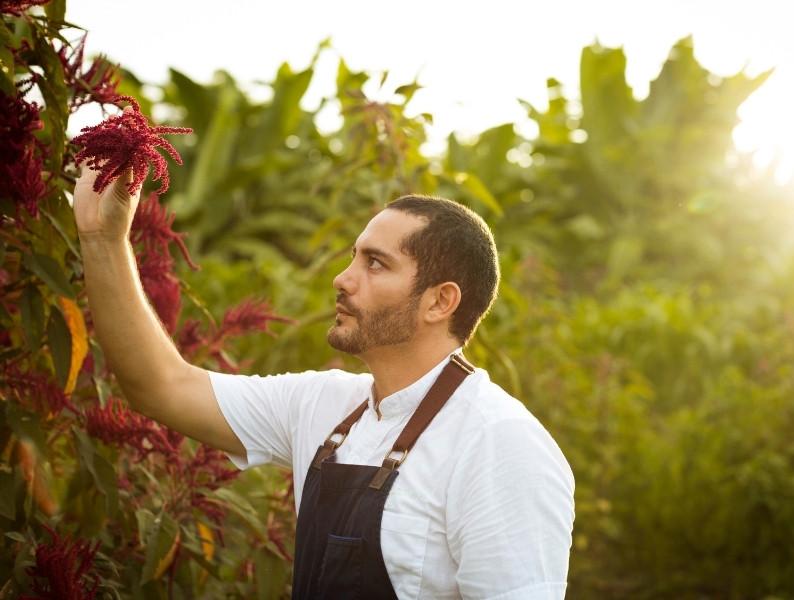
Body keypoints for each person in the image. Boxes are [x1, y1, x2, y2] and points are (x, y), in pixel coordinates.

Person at [75, 163, 575, 599]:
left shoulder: (498, 443)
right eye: (354, 256)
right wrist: (103, 238)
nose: (342, 278)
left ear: (439, 302)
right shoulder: (321, 405)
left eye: (375, 263)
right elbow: (161, 387)